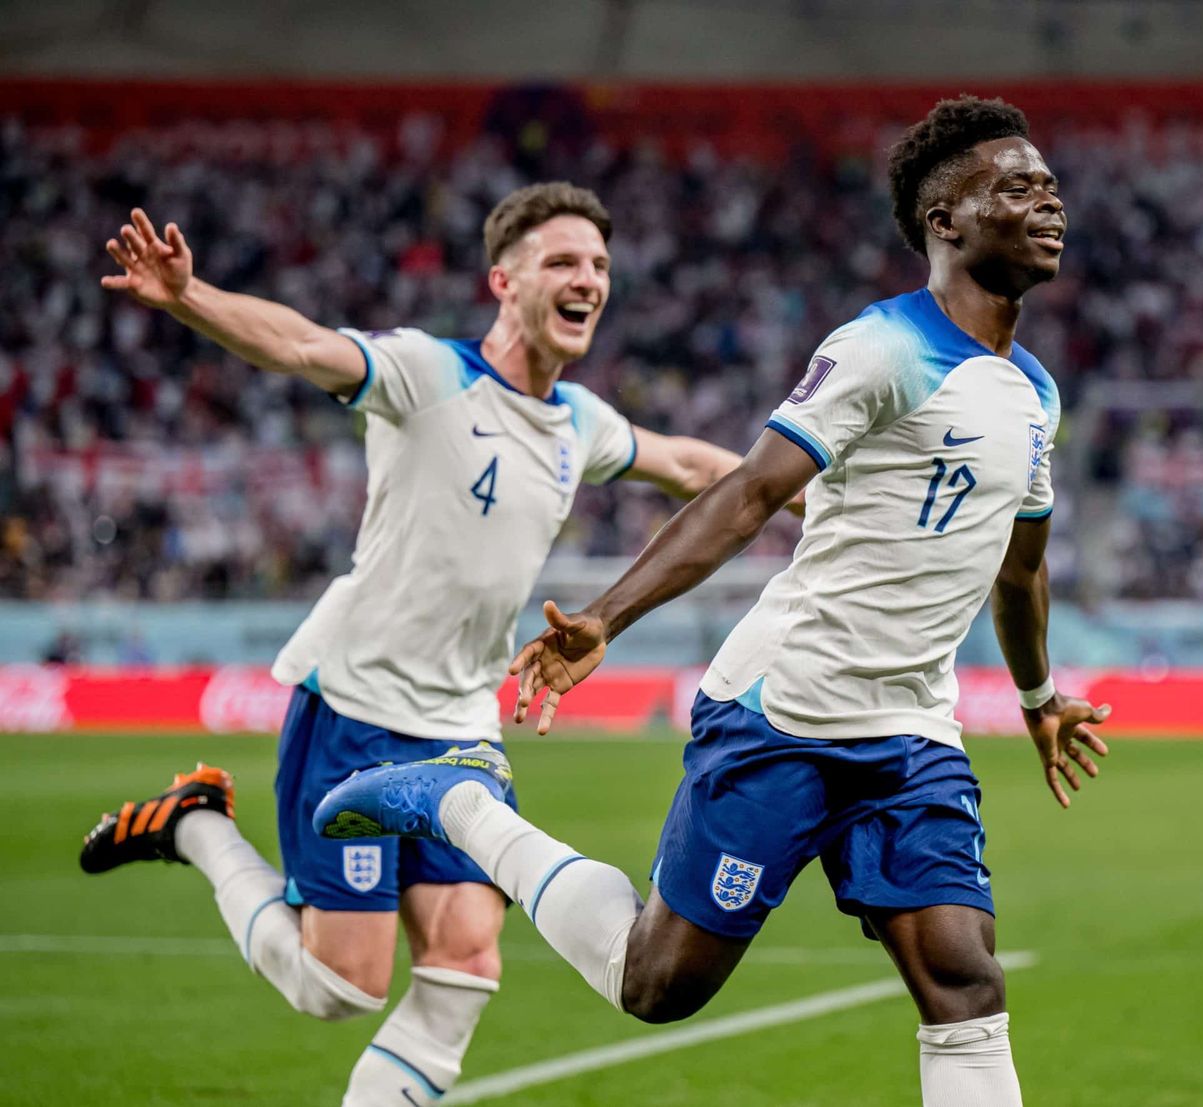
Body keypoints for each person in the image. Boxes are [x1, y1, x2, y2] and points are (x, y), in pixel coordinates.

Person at [314, 95, 1111, 1107]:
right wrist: (607, 615)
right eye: (1017, 185)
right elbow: (747, 494)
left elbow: (1020, 567)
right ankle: (461, 805)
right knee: (656, 985)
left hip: (912, 732)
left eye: (1048, 183)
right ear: (945, 220)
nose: (1048, 200)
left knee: (963, 979)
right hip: (784, 712)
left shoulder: (1033, 392)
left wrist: (1040, 698)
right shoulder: (880, 349)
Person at [78, 186, 759, 1106]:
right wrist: (191, 297)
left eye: (599, 265)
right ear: (503, 280)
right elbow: (304, 344)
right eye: (563, 261)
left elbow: (693, 466)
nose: (588, 279)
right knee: (339, 985)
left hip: (460, 726)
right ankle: (193, 822)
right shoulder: (426, 375)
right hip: (357, 707)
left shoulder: (581, 423)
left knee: (467, 962)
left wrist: (818, 481)